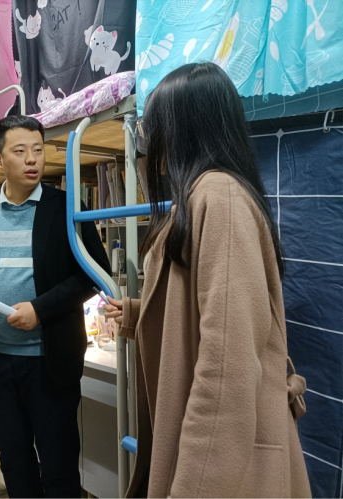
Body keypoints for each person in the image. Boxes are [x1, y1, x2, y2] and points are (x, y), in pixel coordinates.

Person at [104, 63, 311, 498]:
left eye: (152, 128)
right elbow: (206, 309)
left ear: (181, 130)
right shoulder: (203, 196)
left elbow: (227, 371)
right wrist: (140, 314)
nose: (147, 141)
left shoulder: (219, 197)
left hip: (223, 473)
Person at [0, 115, 111, 498]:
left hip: (49, 363)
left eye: (38, 150)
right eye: (20, 151)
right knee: (14, 461)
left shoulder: (66, 209)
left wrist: (40, 309)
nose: (32, 159)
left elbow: (95, 273)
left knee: (59, 468)